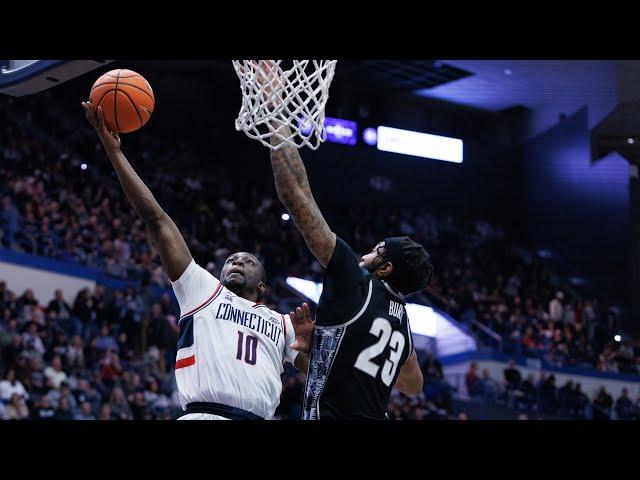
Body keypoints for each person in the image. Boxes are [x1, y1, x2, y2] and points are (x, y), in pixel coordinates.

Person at [81, 101, 312, 420]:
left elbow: (317, 374)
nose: (236, 262)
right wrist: (115, 152)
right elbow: (155, 219)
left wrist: (311, 349)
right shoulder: (202, 290)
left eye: (246, 260)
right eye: (231, 259)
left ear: (262, 285)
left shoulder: (283, 323)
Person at [263, 62, 429, 419]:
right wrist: (320, 352)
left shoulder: (356, 281)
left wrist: (274, 104)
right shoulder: (402, 325)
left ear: (385, 268)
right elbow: (414, 386)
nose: (368, 252)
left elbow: (294, 194)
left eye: (377, 250)